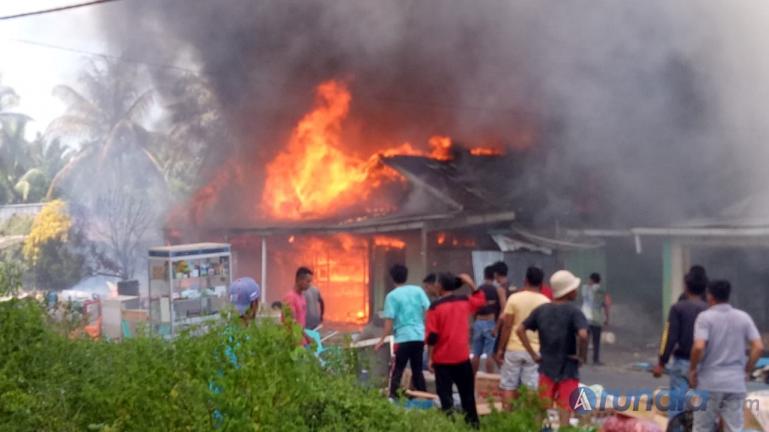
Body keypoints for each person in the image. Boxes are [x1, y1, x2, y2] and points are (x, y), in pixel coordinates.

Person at [689, 280, 763, 432]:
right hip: (735, 383)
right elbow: (759, 347)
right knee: (734, 428)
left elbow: (698, 346)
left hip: (709, 383)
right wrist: (747, 369)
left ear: (710, 296)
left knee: (702, 428)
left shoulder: (705, 318)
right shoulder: (744, 317)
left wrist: (692, 369)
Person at [517, 270, 588, 428]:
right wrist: (582, 356)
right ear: (568, 291)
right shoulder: (574, 311)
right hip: (568, 367)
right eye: (574, 288)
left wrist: (533, 354)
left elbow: (520, 329)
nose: (576, 291)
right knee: (565, 407)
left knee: (541, 407)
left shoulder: (542, 310)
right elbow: (583, 335)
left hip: (546, 366)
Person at [426, 273, 486, 428]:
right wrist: (471, 283)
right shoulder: (464, 301)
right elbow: (481, 300)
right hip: (461, 357)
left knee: (445, 397)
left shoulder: (435, 308)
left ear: (440, 287)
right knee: (467, 395)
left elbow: (432, 336)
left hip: (442, 360)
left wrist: (430, 358)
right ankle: (473, 425)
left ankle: (449, 425)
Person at [653, 266, 708, 422]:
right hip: (705, 364)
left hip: (683, 362)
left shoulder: (678, 308)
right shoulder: (710, 310)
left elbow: (669, 337)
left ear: (686, 286)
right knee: (703, 408)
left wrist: (661, 362)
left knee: (677, 406)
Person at [495, 266, 550, 410]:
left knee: (508, 385)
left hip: (514, 348)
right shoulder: (545, 302)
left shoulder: (514, 298)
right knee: (531, 387)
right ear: (541, 283)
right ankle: (528, 418)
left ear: (525, 280)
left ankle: (507, 418)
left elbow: (507, 326)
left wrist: (500, 349)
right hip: (535, 351)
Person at [375, 264, 431, 399]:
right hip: (418, 337)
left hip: (403, 338)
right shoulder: (418, 290)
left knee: (398, 369)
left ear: (392, 278)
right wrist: (425, 327)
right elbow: (429, 310)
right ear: (406, 276)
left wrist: (381, 340)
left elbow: (389, 323)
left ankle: (393, 397)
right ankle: (424, 398)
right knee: (417, 370)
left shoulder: (391, 296)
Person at [471, 265, 507, 374]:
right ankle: (489, 378)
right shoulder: (497, 290)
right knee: (489, 354)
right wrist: (497, 327)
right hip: (490, 322)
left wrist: (474, 322)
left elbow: (472, 307)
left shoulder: (478, 290)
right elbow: (504, 309)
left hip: (478, 322)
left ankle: (472, 380)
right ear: (494, 276)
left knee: (476, 354)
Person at [580, 273, 609, 365]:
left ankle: (582, 359)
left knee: (584, 339)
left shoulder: (585, 288)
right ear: (599, 281)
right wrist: (607, 318)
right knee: (596, 341)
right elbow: (606, 305)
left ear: (591, 280)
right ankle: (595, 360)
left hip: (585, 317)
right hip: (597, 318)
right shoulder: (602, 291)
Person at [283, 267, 313, 341]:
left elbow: (300, 321)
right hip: (292, 342)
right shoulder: (290, 297)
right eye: (308, 281)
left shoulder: (302, 297)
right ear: (299, 280)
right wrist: (307, 337)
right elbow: (292, 322)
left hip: (300, 341)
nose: (309, 285)